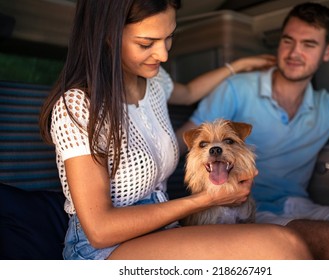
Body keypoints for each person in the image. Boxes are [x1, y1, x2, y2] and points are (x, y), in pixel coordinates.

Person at [38, 0, 311, 260]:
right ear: (108, 36)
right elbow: (100, 231)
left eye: (169, 37)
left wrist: (236, 66)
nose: (164, 54)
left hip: (162, 230)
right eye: (147, 43)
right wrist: (205, 200)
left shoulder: (155, 82)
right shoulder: (77, 106)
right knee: (284, 246)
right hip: (105, 249)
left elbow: (190, 91)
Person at [177, 2, 329, 260]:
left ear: (328, 51)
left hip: (304, 205)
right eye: (288, 41)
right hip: (247, 211)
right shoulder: (237, 88)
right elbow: (186, 139)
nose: (294, 52)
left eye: (308, 44)